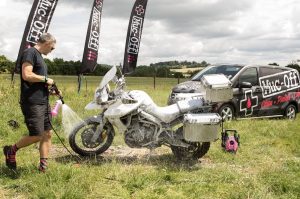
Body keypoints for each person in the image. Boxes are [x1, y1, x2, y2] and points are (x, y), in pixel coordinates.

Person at [3, 33, 58, 172]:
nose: (51, 51)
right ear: (47, 43)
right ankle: (11, 150)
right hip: (32, 102)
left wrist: (50, 90)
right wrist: (46, 79)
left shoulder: (39, 57)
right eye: (52, 48)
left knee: (47, 134)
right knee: (36, 135)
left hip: (43, 101)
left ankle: (43, 168)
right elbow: (26, 75)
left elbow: (36, 81)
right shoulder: (30, 53)